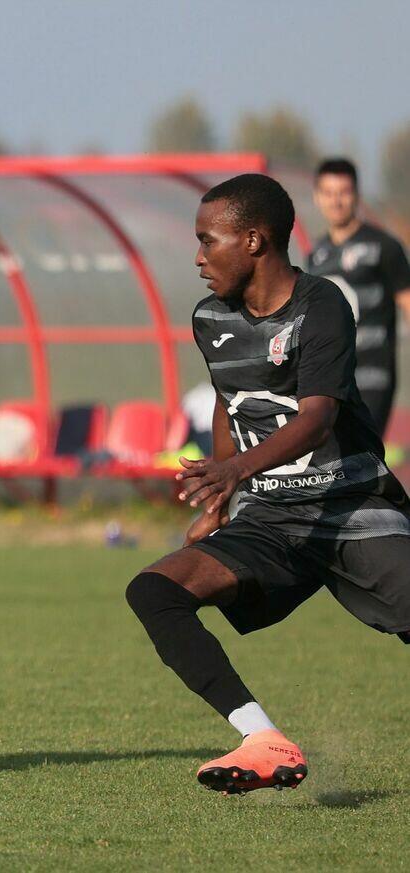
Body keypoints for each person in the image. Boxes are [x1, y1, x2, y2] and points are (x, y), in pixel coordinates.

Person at [125, 174, 410, 795]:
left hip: (350, 506)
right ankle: (262, 739)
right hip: (270, 518)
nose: (198, 257)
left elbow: (318, 419)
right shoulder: (210, 318)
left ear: (253, 241)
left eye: (208, 240)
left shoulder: (322, 305)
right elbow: (228, 401)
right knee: (154, 590)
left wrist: (233, 471)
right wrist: (221, 499)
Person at [308, 158, 410, 435]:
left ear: (356, 195)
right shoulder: (316, 255)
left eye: (344, 192)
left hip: (373, 375)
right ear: (317, 197)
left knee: (363, 450)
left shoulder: (385, 247)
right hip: (331, 376)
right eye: (328, 193)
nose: (336, 201)